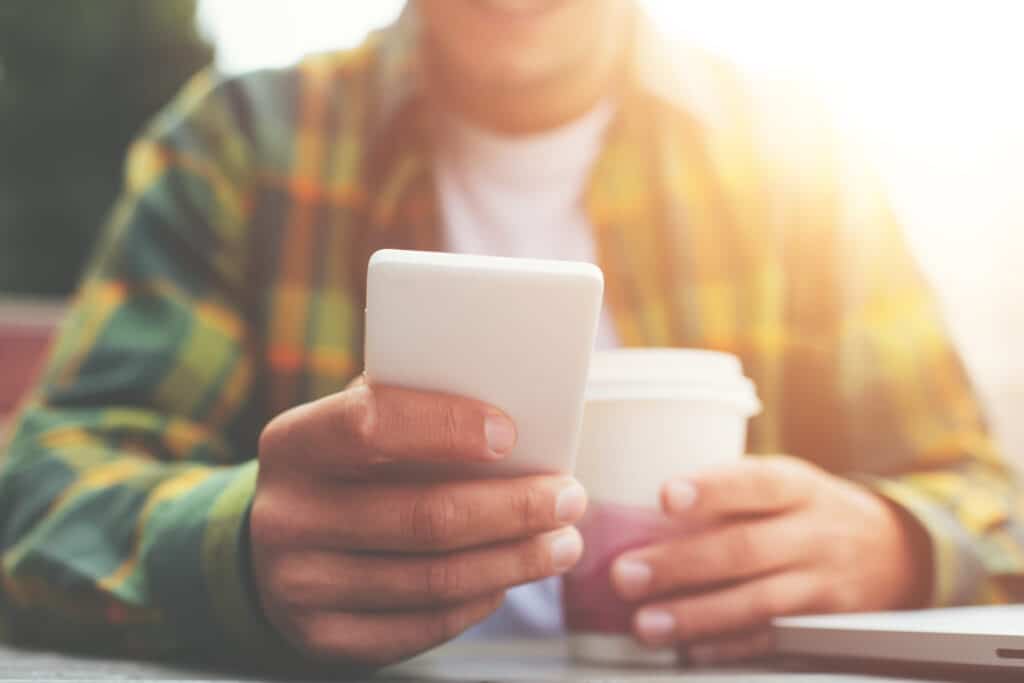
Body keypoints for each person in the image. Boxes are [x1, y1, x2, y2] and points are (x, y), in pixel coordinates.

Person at [1, 0, 1020, 671]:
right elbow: (40, 489)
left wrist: (896, 544)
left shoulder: (797, 158)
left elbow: (981, 494)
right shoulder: (239, 144)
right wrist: (233, 542)